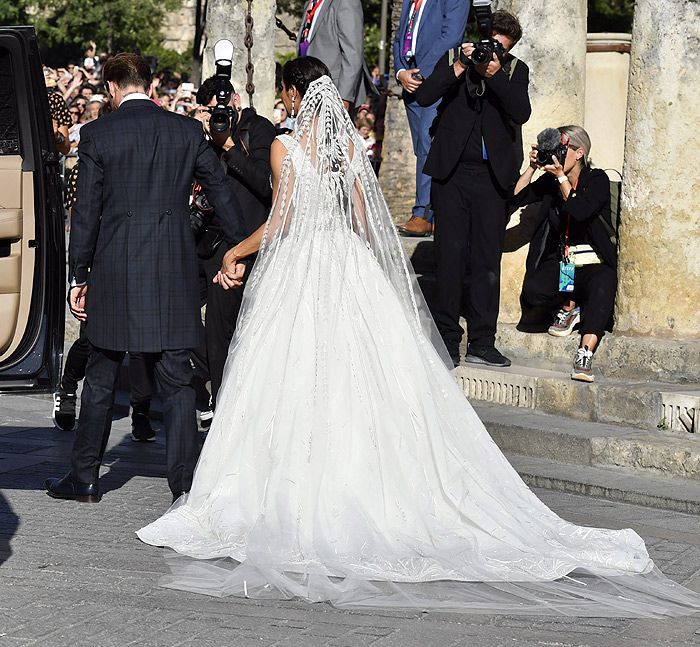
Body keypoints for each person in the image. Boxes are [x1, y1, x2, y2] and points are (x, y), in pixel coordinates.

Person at [136, 57, 700, 618]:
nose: (281, 101)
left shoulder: (285, 147)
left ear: (292, 93)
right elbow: (361, 218)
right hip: (347, 263)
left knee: (295, 376)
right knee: (363, 381)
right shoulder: (352, 149)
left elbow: (283, 220)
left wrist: (236, 251)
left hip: (303, 268)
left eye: (284, 92)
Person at [44, 53, 245, 504]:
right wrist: (240, 248)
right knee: (177, 381)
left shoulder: (98, 134)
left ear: (114, 87)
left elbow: (88, 212)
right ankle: (184, 484)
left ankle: (86, 478)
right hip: (174, 270)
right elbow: (220, 191)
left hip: (115, 270)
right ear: (151, 86)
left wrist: (80, 274)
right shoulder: (187, 131)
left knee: (100, 374)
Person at [415, 10, 530, 368]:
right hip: (451, 174)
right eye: (490, 45)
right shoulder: (455, 58)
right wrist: (462, 67)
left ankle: (483, 340)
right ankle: (448, 339)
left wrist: (493, 74)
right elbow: (425, 96)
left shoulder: (514, 70)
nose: (493, 53)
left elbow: (520, 111)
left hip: (493, 178)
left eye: (502, 49)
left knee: (486, 262)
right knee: (449, 258)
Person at [192, 76, 276, 413]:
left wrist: (227, 145)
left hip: (246, 243)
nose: (218, 117)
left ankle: (225, 400)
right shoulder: (206, 134)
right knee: (181, 308)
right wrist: (198, 138)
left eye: (222, 109)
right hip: (210, 239)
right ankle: (212, 381)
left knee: (223, 324)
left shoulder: (259, 129)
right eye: (212, 112)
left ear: (237, 101)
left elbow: (266, 185)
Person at [513, 126, 616, 383]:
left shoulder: (597, 180)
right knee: (534, 290)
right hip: (567, 265)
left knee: (603, 287)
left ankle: (585, 353)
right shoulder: (550, 182)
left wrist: (561, 178)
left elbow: (579, 210)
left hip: (595, 264)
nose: (558, 155)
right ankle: (570, 307)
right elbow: (516, 197)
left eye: (563, 150)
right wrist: (532, 167)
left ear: (579, 153)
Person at [393, 0, 470, 237]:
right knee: (421, 149)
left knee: (429, 146)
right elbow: (400, 37)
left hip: (435, 80)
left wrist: (422, 74)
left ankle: (424, 214)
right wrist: (400, 72)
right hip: (411, 81)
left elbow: (451, 37)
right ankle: (432, 213)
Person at [296, 0, 374, 113]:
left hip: (333, 92)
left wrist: (344, 97)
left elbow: (352, 53)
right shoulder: (310, 3)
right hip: (308, 89)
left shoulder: (346, 2)